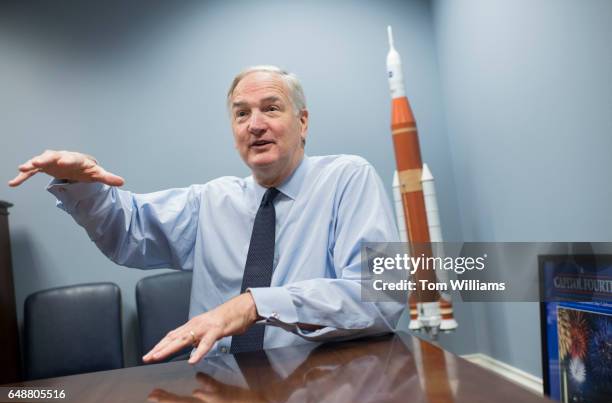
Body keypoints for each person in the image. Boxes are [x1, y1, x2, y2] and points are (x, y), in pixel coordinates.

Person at [9, 65, 403, 364]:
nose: (256, 125)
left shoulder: (348, 178)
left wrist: (255, 304)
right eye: (241, 113)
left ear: (302, 122)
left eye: (271, 108)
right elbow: (127, 230)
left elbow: (382, 297)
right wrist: (80, 183)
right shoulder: (213, 200)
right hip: (220, 384)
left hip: (321, 384)